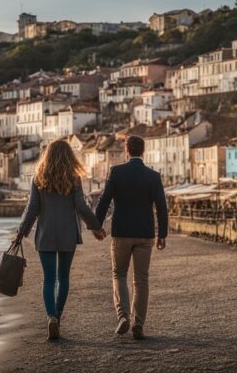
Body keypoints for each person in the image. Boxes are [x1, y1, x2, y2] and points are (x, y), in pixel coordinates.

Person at [17, 139, 106, 340]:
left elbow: (32, 209)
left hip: (46, 234)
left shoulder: (38, 178)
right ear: (69, 157)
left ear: (47, 155)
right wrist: (97, 227)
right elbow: (81, 207)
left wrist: (21, 232)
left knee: (48, 279)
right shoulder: (74, 178)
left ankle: (51, 318)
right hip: (67, 234)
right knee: (63, 278)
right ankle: (58, 316)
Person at [95, 135, 168, 340]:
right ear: (143, 152)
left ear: (126, 152)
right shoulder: (153, 176)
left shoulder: (117, 172)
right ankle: (138, 324)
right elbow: (162, 208)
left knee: (119, 274)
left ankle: (122, 316)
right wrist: (162, 234)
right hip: (145, 234)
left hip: (122, 233)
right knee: (141, 280)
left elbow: (103, 201)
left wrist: (96, 226)